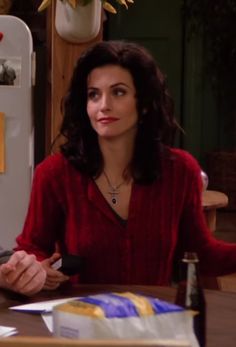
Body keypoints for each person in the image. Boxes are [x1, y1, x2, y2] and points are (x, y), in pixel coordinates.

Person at [14, 40, 236, 290]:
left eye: (118, 92)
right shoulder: (54, 174)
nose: (103, 105)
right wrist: (37, 268)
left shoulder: (180, 171)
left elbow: (202, 256)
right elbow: (31, 248)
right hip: (80, 320)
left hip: (152, 321)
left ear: (143, 104)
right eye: (93, 94)